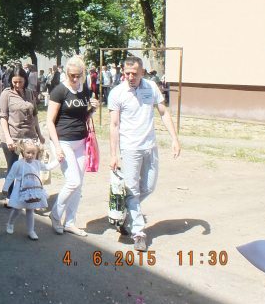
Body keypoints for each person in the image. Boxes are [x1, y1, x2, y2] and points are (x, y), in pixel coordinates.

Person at [109, 56, 181, 252]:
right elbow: (114, 125)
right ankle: (138, 233)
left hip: (150, 146)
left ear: (142, 72)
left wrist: (174, 139)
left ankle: (125, 214)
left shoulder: (151, 87)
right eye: (127, 73)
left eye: (134, 73)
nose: (130, 77)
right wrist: (113, 154)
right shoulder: (117, 93)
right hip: (130, 148)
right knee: (132, 190)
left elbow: (163, 112)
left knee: (149, 186)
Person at [46, 55, 99, 237]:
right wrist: (57, 147)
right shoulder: (59, 91)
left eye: (78, 75)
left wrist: (93, 109)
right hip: (63, 141)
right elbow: (49, 121)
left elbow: (83, 117)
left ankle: (70, 222)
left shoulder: (85, 90)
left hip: (81, 141)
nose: (75, 79)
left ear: (83, 74)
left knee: (79, 184)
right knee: (73, 181)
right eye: (72, 75)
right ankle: (55, 215)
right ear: (67, 73)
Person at [0, 66, 43, 202]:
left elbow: (35, 115)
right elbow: (3, 117)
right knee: (13, 168)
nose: (17, 85)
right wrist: (8, 138)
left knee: (31, 168)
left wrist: (39, 134)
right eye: (15, 82)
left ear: (25, 80)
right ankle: (9, 196)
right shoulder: (6, 94)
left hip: (30, 137)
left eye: (20, 82)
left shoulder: (29, 93)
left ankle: (29, 194)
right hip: (13, 137)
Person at [2, 140, 59, 240]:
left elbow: (47, 167)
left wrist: (58, 160)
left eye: (33, 153)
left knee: (30, 210)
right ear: (23, 152)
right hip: (20, 190)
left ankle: (31, 230)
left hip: (33, 190)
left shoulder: (37, 163)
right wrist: (5, 188)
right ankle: (10, 223)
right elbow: (10, 176)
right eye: (28, 152)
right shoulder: (18, 164)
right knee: (17, 209)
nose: (31, 155)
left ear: (36, 153)